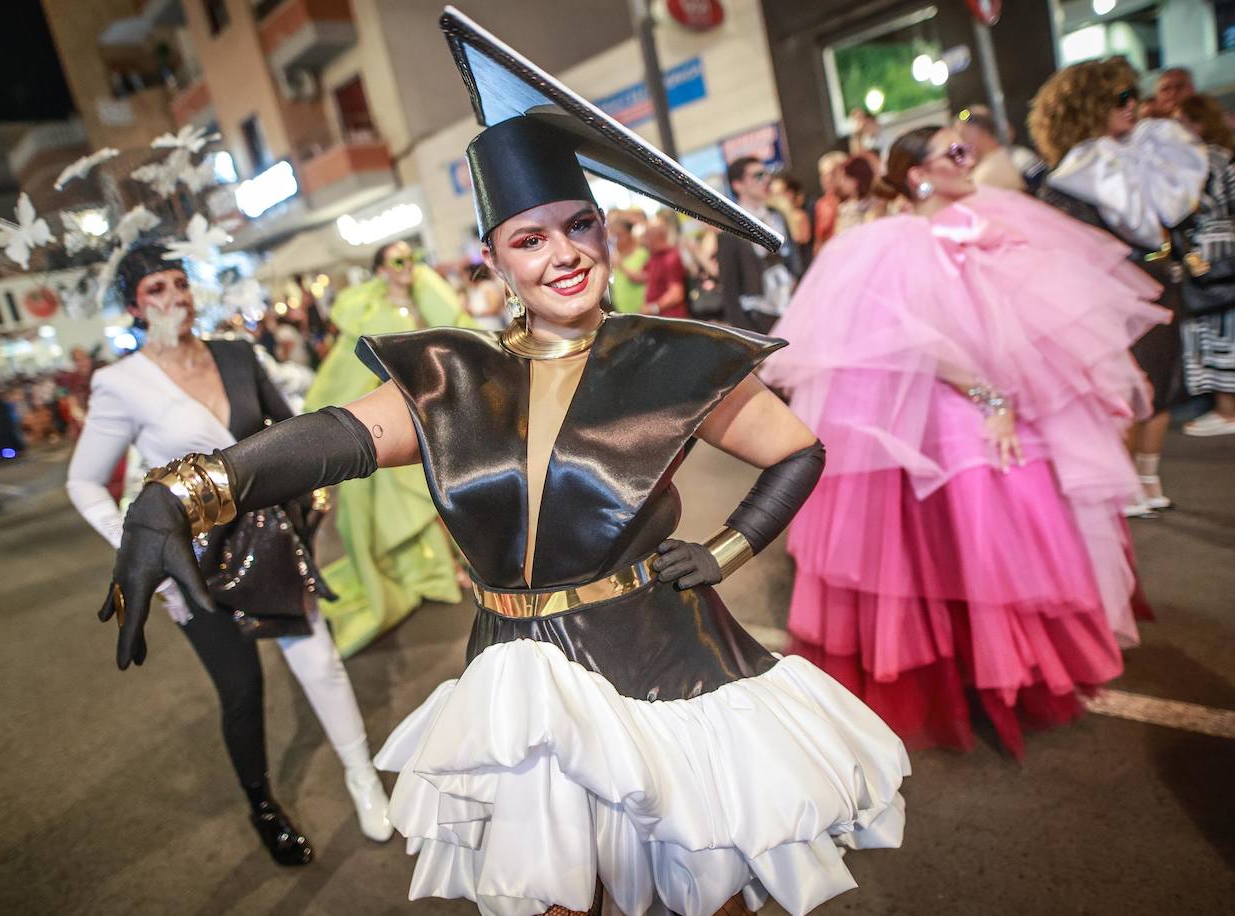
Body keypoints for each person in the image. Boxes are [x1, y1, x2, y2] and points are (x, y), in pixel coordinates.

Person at [99, 11, 910, 916]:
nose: (563, 254)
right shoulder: (451, 376)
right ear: (493, 260)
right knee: (560, 898)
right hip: (517, 681)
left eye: (579, 225)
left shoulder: (672, 358)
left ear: (605, 231)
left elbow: (798, 450)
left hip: (664, 663)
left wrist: (729, 548)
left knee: (701, 884)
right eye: (530, 239)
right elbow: (326, 439)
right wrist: (178, 494)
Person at [761, 125, 1167, 759]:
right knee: (966, 532)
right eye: (952, 153)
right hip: (940, 411)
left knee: (1004, 533)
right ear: (918, 173)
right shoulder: (892, 241)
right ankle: (970, 677)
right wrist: (991, 400)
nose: (967, 159)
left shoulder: (981, 227)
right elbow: (916, 339)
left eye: (966, 149)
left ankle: (1004, 670)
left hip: (987, 402)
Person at [66, 243, 394, 866]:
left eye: (179, 282)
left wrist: (315, 499)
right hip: (190, 562)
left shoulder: (237, 354)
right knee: (241, 689)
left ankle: (364, 780)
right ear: (134, 307)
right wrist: (140, 548)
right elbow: (83, 481)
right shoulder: (120, 383)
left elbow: (294, 432)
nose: (174, 297)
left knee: (319, 663)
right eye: (155, 289)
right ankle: (263, 806)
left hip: (269, 539)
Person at [1030, 57, 1208, 515]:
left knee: (1162, 384)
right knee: (1125, 392)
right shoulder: (1072, 174)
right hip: (1107, 298)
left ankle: (1148, 479)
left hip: (1158, 281)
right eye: (1120, 98)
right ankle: (1123, 484)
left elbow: (1171, 214)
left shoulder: (1138, 157)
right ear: (1088, 106)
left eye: (1134, 95)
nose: (1133, 105)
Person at [299, 239, 466, 655]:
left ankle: (449, 565)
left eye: (413, 257)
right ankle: (433, 572)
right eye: (398, 260)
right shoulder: (370, 316)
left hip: (433, 415)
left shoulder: (427, 305)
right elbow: (344, 373)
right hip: (396, 424)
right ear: (381, 271)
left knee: (445, 490)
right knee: (416, 501)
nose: (408, 265)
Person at [1172, 94, 1235, 436]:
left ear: (1197, 124)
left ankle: (1227, 411)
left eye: (1181, 122)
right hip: (1225, 248)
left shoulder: (1198, 161)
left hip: (1207, 251)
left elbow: (1178, 209)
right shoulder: (1225, 157)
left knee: (1213, 330)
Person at [718, 156, 795, 332]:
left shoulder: (776, 216)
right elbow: (730, 291)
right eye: (758, 176)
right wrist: (748, 337)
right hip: (759, 317)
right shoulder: (730, 230)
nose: (766, 180)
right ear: (738, 185)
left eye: (767, 174)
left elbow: (793, 260)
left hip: (792, 306)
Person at [641, 215, 689, 317]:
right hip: (659, 318)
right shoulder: (654, 256)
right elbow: (642, 276)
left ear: (655, 235)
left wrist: (653, 307)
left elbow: (676, 294)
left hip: (671, 319)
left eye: (646, 235)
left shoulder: (671, 257)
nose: (644, 239)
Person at [606, 208, 648, 314]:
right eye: (614, 235)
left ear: (629, 234)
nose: (616, 239)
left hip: (642, 312)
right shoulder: (614, 256)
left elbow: (643, 277)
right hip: (622, 312)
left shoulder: (642, 253)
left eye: (619, 235)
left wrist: (621, 266)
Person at [832, 155, 885, 235]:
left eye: (845, 178)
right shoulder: (845, 208)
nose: (842, 183)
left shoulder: (877, 205)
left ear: (856, 179)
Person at [813, 150, 848, 253]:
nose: (826, 179)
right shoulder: (822, 204)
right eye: (823, 175)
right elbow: (819, 241)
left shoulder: (857, 199)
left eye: (832, 174)